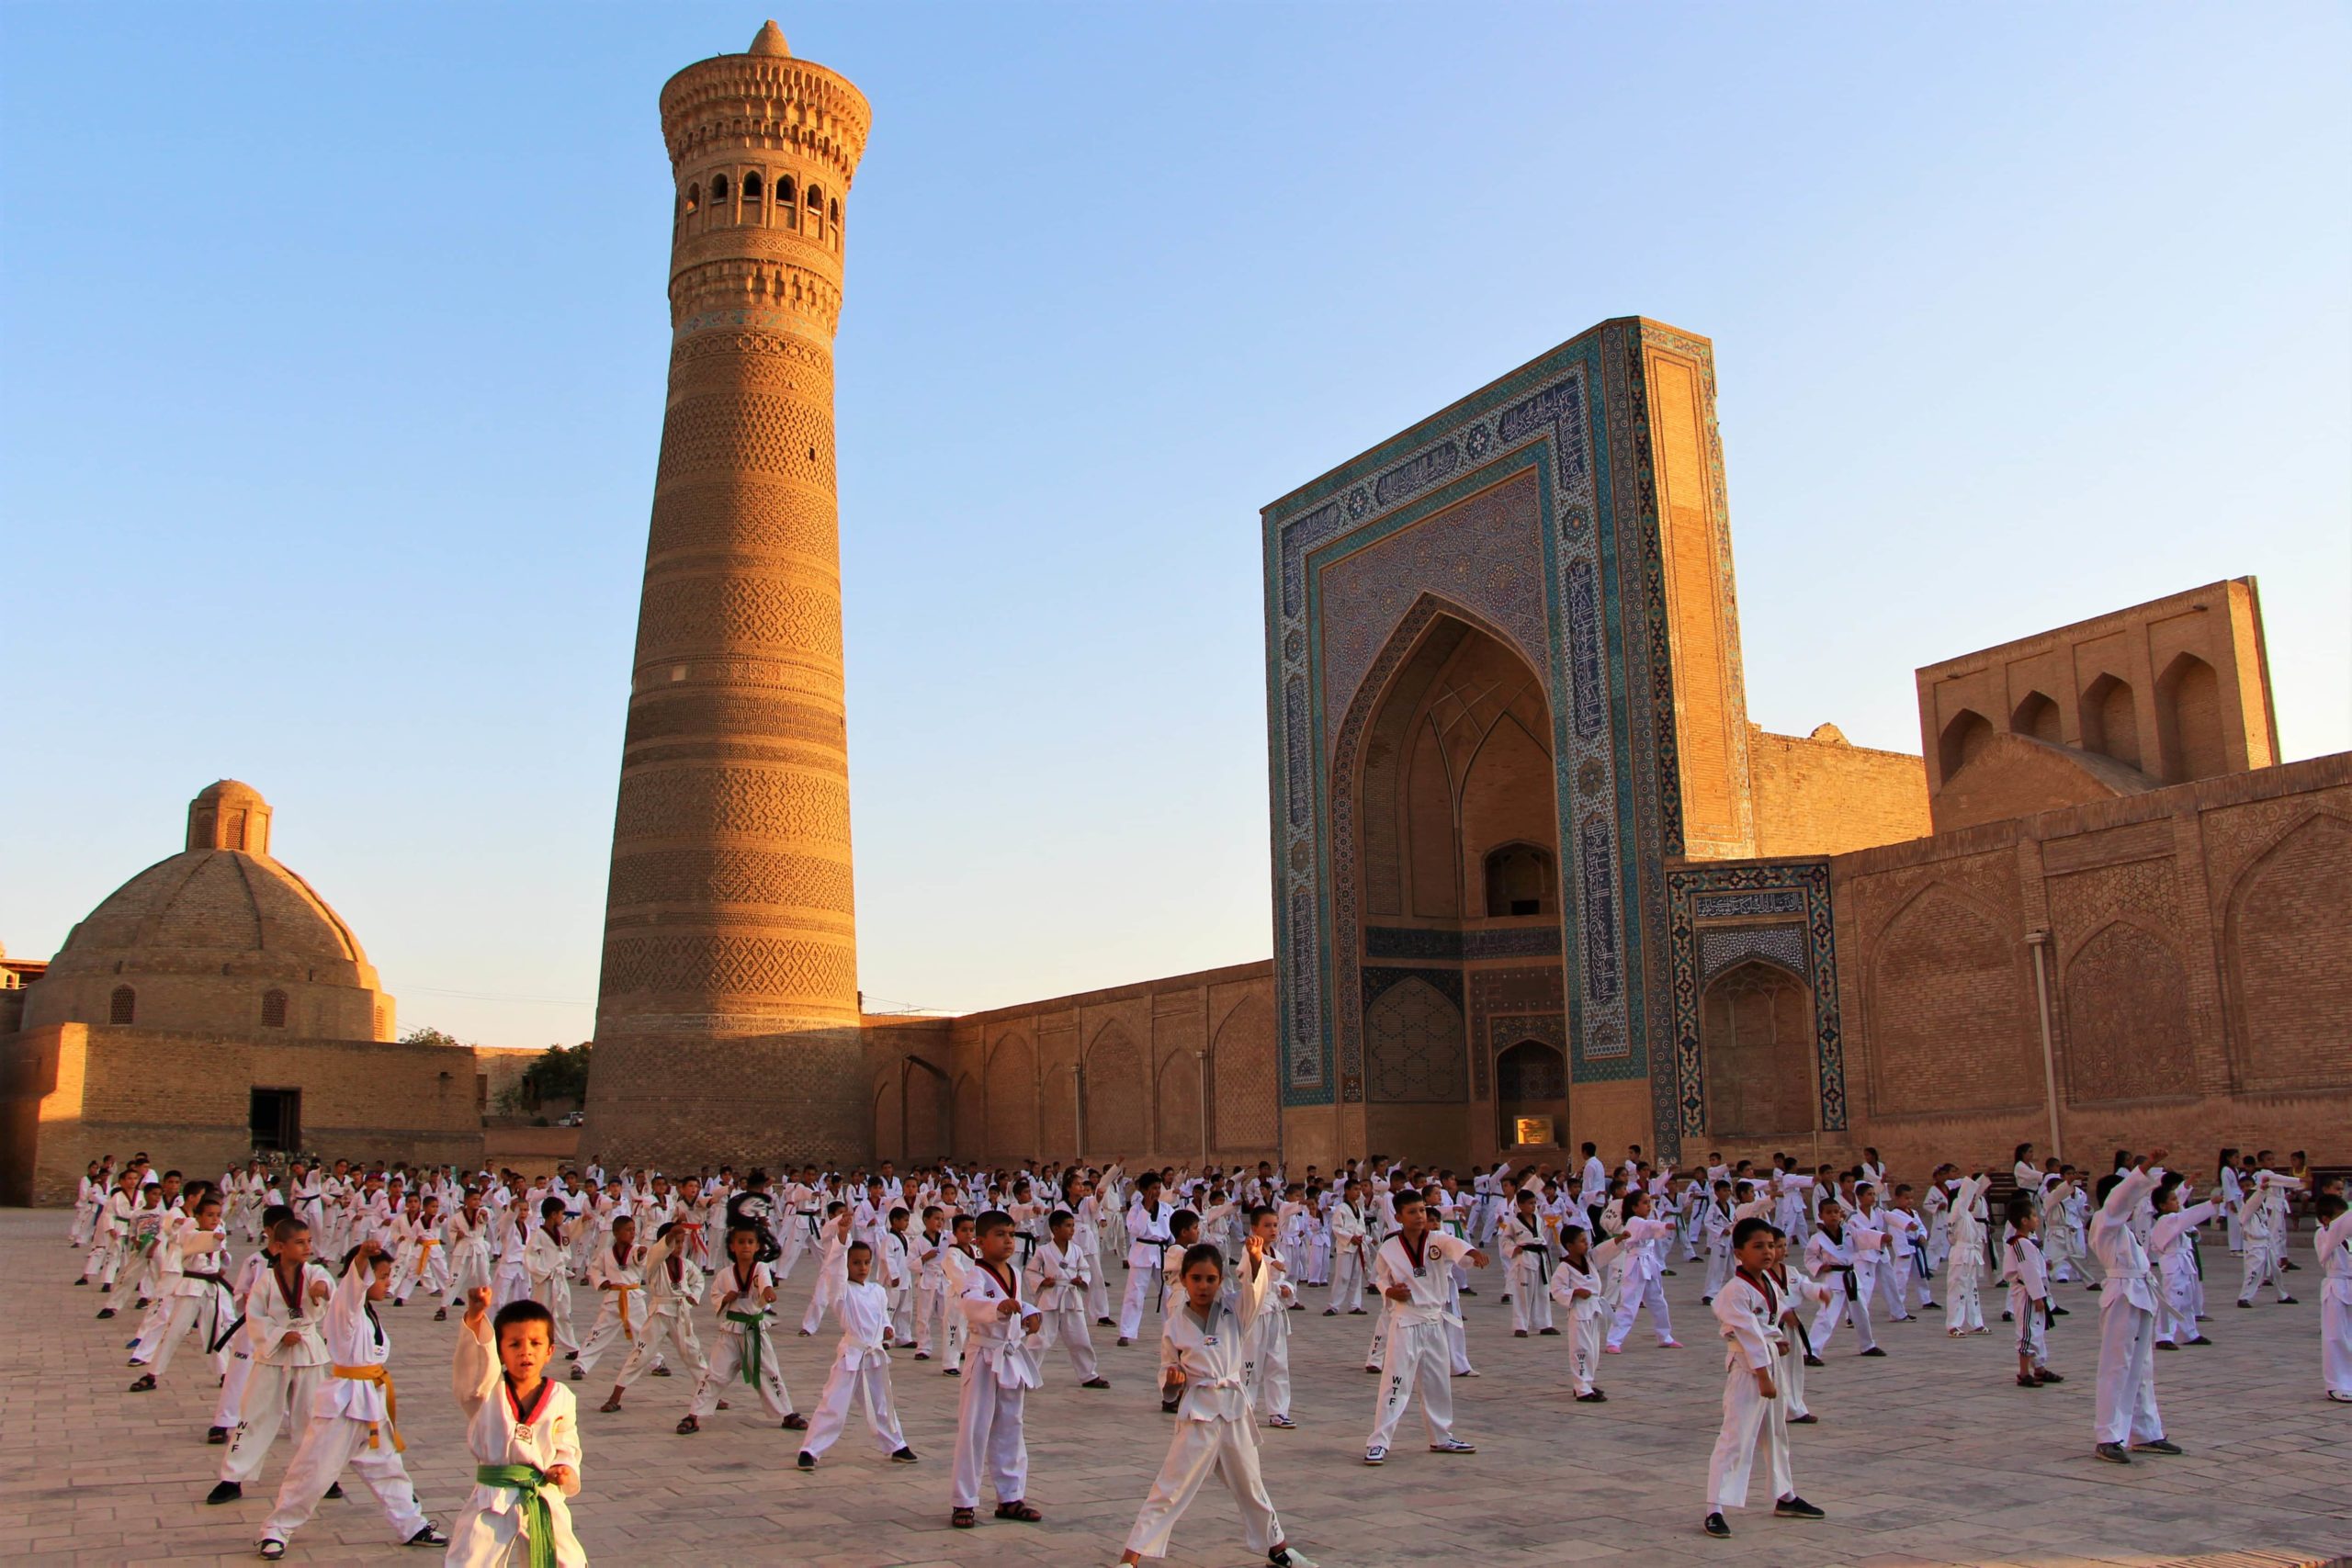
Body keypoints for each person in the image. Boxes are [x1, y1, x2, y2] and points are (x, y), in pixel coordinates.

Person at [1115, 1237, 1317, 1568]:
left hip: (1235, 1412)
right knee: (1171, 1487)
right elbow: (1167, 1368)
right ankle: (1131, 1558)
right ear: (1183, 1279)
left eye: (1211, 1279)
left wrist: (1254, 1259)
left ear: (1221, 1280)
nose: (1204, 1286)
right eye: (1196, 1278)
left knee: (1252, 1484)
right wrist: (1172, 1381)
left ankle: (1278, 1549)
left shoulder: (1235, 1310)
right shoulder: (1175, 1325)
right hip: (1200, 1415)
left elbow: (1255, 1290)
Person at [254, 1239, 445, 1559]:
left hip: (370, 1400)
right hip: (343, 1405)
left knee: (388, 1468)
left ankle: (412, 1525)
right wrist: (360, 1260)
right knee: (313, 1472)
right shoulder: (347, 1307)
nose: (388, 1283)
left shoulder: (367, 1313)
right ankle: (276, 1530)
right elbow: (353, 1288)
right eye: (382, 1276)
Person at [1702, 1217, 1824, 1539]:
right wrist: (1763, 1375)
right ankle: (1714, 1507)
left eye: (1771, 1245)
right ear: (1739, 1252)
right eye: (1758, 1246)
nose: (1768, 1252)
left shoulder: (1766, 1282)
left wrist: (1777, 1336)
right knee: (1735, 1437)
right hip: (1748, 1369)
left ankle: (1785, 1495)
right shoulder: (1734, 1290)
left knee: (1776, 1432)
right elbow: (1747, 1334)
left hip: (1770, 1363)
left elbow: (1772, 1314)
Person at [447, 1290, 584, 1567]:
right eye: (514, 1344)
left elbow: (567, 1444)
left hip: (542, 1497)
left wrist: (564, 1468)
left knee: (568, 1562)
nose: (526, 1351)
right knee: (468, 1561)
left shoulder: (562, 1397)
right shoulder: (485, 1393)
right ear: (499, 1351)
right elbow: (471, 1368)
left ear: (550, 1351)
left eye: (535, 1343)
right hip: (491, 1502)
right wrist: (475, 1317)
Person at [209, 1214, 334, 1505]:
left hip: (308, 1353)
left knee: (313, 1419)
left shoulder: (314, 1272)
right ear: (279, 1246)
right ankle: (232, 1478)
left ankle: (324, 1477)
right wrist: (278, 1335)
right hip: (272, 1355)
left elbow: (326, 1285)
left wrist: (322, 1291)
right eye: (299, 1243)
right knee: (255, 1415)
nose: (306, 1248)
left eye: (309, 1242)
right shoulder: (265, 1280)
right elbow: (254, 1317)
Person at [1363, 1188, 1487, 1465]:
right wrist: (1389, 1292)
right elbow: (1381, 1279)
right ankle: (1378, 1442)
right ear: (1398, 1217)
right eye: (1412, 1212)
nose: (1420, 1216)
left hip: (1433, 1321)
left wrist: (1472, 1251)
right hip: (1406, 1320)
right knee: (1395, 1381)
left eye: (1422, 1210)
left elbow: (1456, 1247)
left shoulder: (1437, 1239)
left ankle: (1441, 1436)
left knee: (1437, 1382)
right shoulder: (1389, 1247)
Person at [797, 1211, 917, 1470]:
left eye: (866, 1263)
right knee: (834, 1404)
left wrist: (887, 1329)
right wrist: (842, 1236)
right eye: (856, 1263)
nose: (862, 1268)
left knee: (882, 1402)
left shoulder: (876, 1291)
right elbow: (834, 1268)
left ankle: (896, 1444)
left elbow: (884, 1316)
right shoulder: (842, 1292)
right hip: (852, 1355)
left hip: (874, 1355)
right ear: (847, 1265)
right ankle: (810, 1449)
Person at [950, 1210, 1044, 1530]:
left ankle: (1010, 1497)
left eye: (1011, 1235)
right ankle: (964, 1500)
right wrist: (996, 1308)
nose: (1008, 1241)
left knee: (1011, 1426)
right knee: (975, 1427)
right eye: (1001, 1235)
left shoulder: (1013, 1272)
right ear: (980, 1242)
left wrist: (1031, 1313)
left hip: (1009, 1356)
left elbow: (1017, 1301)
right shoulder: (975, 1274)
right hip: (983, 1355)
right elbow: (970, 1304)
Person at [2088, 1149, 2179, 1464]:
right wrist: (2142, 1170)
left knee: (2142, 1366)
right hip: (2122, 1295)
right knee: (2117, 1365)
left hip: (2139, 1292)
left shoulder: (2123, 1230)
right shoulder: (2104, 1221)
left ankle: (2145, 1431)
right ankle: (2108, 1435)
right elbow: (2117, 1201)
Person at [681, 1224, 805, 1435]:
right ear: (732, 1246)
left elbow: (764, 1284)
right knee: (714, 1374)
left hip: (755, 1330)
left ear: (757, 1246)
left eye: (750, 1242)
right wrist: (725, 1299)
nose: (745, 1246)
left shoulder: (761, 1268)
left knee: (770, 1372)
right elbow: (715, 1295)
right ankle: (694, 1415)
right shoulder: (724, 1274)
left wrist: (768, 1292)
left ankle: (787, 1413)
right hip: (729, 1332)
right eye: (741, 1242)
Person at [605, 1219, 707, 1413]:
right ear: (664, 1242)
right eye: (675, 1242)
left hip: (680, 1314)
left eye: (680, 1242)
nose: (678, 1247)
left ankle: (710, 1396)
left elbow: (699, 1280)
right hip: (659, 1314)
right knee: (640, 1354)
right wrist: (672, 1234)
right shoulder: (654, 1261)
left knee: (694, 1355)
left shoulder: (686, 1265)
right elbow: (662, 1248)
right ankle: (615, 1397)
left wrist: (693, 1295)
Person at [1026, 1209, 1109, 1388]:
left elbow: (1085, 1270)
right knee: (1039, 1339)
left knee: (1080, 1338)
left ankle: (1088, 1375)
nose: (1072, 1229)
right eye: (1068, 1226)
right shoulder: (1043, 1251)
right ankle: (1027, 1375)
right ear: (1055, 1229)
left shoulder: (1077, 1250)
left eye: (1073, 1226)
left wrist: (1082, 1280)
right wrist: (1042, 1281)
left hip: (1071, 1297)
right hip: (1050, 1297)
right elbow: (1031, 1271)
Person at [1241, 1204, 1298, 1428]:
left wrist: (1286, 1289)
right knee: (1250, 1362)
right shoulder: (1249, 1251)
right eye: (1267, 1226)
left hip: (1274, 1312)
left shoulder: (1279, 1253)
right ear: (1255, 1229)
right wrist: (1269, 1262)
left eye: (1275, 1225)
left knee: (1278, 1362)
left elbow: (1284, 1280)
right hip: (1256, 1312)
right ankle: (1244, 1408)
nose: (1272, 1230)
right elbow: (1250, 1271)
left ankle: (1279, 1411)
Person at [2001, 1194, 2062, 1390]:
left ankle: (2040, 1367)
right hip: (2027, 1293)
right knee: (2028, 1330)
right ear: (2024, 1221)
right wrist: (2037, 1296)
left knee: (2038, 1330)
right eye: (2034, 1216)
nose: (2037, 1219)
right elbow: (2028, 1271)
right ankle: (2024, 1372)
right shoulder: (2020, 1243)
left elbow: (2036, 1267)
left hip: (2035, 1291)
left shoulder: (2028, 1243)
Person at [1547, 1224, 1607, 1403]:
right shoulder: (1564, 1267)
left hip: (1594, 1310)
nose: (1586, 1244)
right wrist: (1575, 1292)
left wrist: (1619, 1240)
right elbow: (1556, 1290)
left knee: (1593, 1351)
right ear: (1569, 1246)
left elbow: (1604, 1251)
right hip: (1579, 1313)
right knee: (1581, 1350)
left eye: (1586, 1240)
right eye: (1581, 1241)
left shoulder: (1589, 1260)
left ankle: (1585, 1383)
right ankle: (1582, 1388)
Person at [1121, 1174, 1179, 1346]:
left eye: (1158, 1188)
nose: (1156, 1191)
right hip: (1142, 1253)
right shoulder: (1136, 1209)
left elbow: (1173, 1232)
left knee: (1169, 1293)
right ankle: (1127, 1332)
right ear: (1144, 1190)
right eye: (1153, 1188)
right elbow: (1136, 1230)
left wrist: (1174, 1249)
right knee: (1135, 1294)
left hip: (1163, 1253)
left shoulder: (1167, 1209)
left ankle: (1171, 1330)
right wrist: (1145, 1209)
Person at [2313, 1190, 2351, 1404]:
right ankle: (2335, 1384)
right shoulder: (2323, 1234)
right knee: (2335, 1336)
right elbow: (2325, 1252)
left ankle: (2350, 1380)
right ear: (2326, 1219)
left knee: (2350, 1336)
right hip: (2336, 1286)